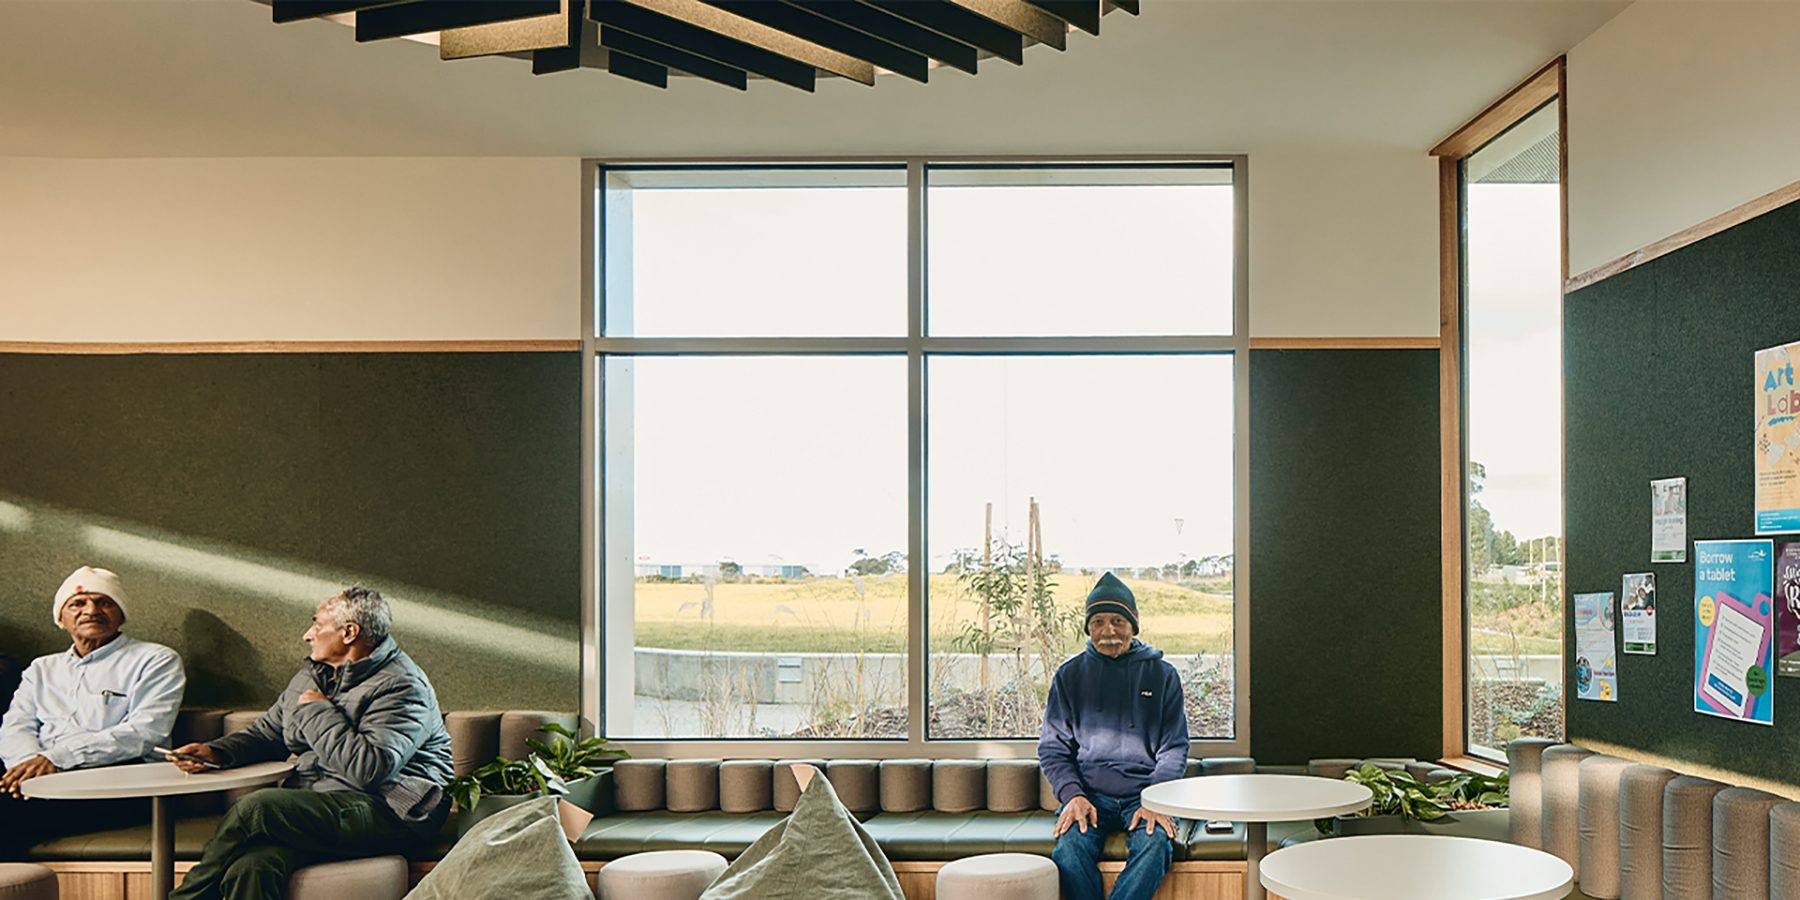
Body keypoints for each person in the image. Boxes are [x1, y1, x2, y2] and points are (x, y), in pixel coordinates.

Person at [167, 586, 454, 900]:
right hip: (322, 805)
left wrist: (318, 710)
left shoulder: (403, 685)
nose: (307, 634)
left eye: (317, 625)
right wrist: (217, 752)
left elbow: (369, 769)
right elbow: (268, 734)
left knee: (256, 807)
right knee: (250, 866)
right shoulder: (312, 676)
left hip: (390, 813)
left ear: (349, 633)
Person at [0, 567, 186, 854]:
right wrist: (31, 769)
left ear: (121, 615)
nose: (91, 610)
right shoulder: (41, 668)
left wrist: (56, 759)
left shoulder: (155, 659)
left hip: (119, 783)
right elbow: (16, 725)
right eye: (77, 603)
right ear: (61, 620)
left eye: (104, 602)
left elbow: (145, 732)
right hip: (44, 784)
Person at [1039, 571, 1190, 900]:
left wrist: (1155, 799)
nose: (1108, 631)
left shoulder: (1163, 675)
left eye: (1118, 620)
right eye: (1098, 622)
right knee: (1068, 851)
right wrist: (1072, 795)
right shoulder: (1069, 677)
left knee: (1154, 847)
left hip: (1145, 794)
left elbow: (1174, 748)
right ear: (1088, 628)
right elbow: (1053, 749)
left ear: (1133, 624)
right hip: (1090, 795)